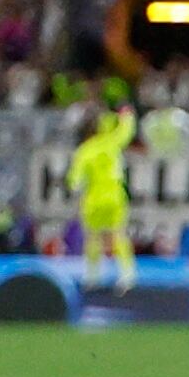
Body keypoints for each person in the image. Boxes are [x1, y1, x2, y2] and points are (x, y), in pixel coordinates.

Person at [69, 95, 136, 288]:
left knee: (93, 237)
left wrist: (75, 186)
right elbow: (127, 130)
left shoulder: (85, 150)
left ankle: (92, 276)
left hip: (94, 199)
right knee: (118, 235)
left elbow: (75, 179)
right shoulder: (112, 142)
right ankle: (127, 275)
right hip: (114, 196)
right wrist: (127, 114)